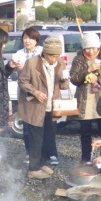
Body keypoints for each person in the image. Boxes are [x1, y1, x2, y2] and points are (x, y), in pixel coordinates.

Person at [18, 36, 69, 179]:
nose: (54, 58)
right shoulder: (32, 63)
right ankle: (33, 169)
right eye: (52, 55)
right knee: (36, 138)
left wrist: (65, 81)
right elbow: (22, 81)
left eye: (57, 55)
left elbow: (64, 86)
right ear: (45, 53)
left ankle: (42, 163)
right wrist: (34, 91)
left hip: (52, 106)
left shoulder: (60, 63)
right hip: (35, 106)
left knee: (48, 137)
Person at [12, 28, 59, 166]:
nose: (27, 41)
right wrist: (17, 69)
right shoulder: (18, 54)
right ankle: (30, 153)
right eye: (25, 38)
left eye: (31, 38)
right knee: (28, 126)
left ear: (36, 40)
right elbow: (15, 77)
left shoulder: (42, 53)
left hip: (43, 95)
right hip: (26, 94)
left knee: (48, 125)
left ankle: (50, 153)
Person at [69, 32, 101, 165]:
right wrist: (87, 70)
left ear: (98, 47)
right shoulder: (79, 59)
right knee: (85, 133)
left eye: (94, 48)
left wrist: (99, 79)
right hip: (85, 100)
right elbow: (74, 79)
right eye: (87, 48)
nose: (90, 51)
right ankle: (85, 159)